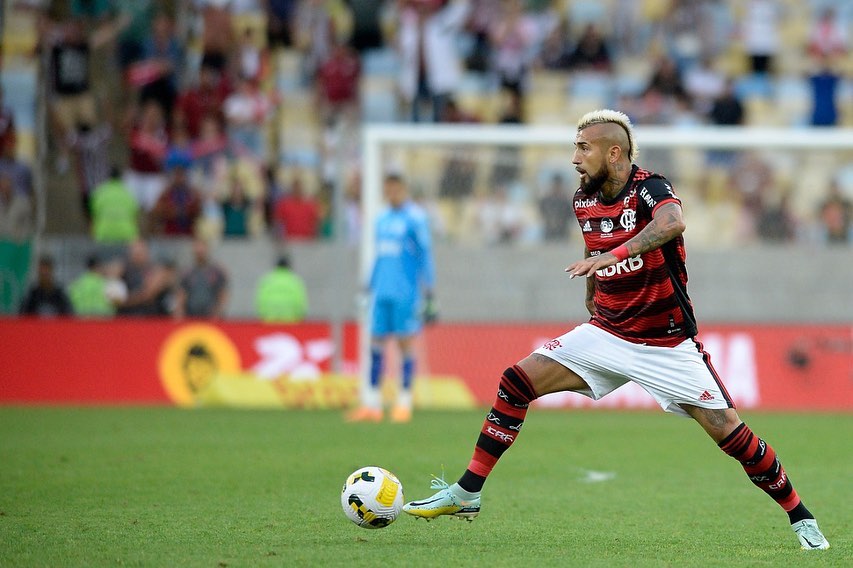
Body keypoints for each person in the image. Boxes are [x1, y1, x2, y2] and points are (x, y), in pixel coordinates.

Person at [401, 109, 831, 551]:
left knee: (733, 436)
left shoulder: (651, 188)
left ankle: (801, 516)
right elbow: (594, 244)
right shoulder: (582, 200)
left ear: (614, 152)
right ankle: (467, 492)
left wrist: (613, 255)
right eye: (574, 147)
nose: (574, 158)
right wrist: (592, 284)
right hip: (606, 332)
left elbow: (672, 224)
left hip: (666, 342)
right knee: (515, 381)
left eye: (583, 148)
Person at [347, 173, 436, 423]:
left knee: (405, 345)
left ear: (404, 189)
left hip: (406, 293)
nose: (392, 194)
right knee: (375, 344)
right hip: (381, 292)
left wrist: (430, 291)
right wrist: (367, 288)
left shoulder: (415, 219)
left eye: (396, 189)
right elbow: (379, 257)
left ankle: (403, 403)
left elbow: (425, 256)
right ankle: (372, 404)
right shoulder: (381, 220)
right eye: (389, 190)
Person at [173, 239, 228, 319]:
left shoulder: (216, 272)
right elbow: (182, 294)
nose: (199, 252)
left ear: (207, 249)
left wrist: (218, 312)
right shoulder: (187, 272)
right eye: (197, 249)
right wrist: (179, 311)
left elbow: (222, 294)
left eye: (202, 249)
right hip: (190, 315)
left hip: (211, 316)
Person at [255, 255, 309, 323]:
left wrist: (263, 316)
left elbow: (260, 302)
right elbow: (301, 304)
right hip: (290, 323)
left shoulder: (267, 280)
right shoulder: (295, 281)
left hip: (270, 322)